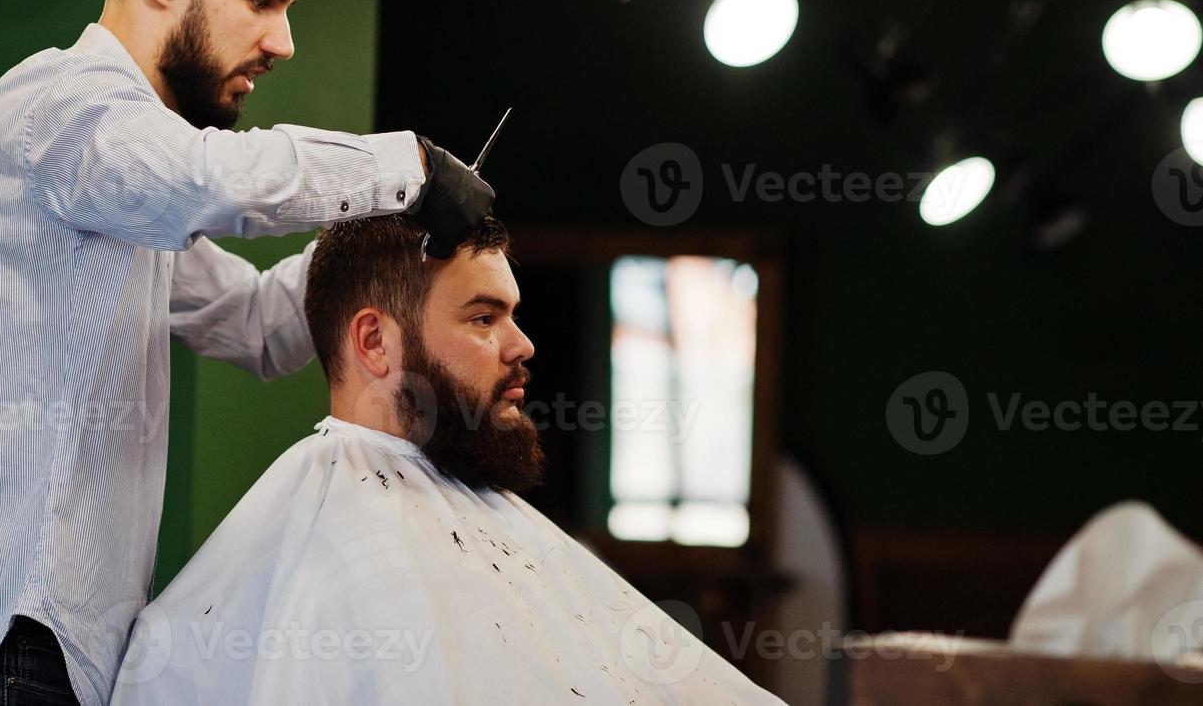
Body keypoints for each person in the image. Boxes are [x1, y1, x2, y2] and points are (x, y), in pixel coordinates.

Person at [0, 0, 494, 706]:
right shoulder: (65, 109)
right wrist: (411, 168)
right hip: (0, 645)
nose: (284, 42)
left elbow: (257, 325)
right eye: (262, 1)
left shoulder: (121, 185)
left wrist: (384, 239)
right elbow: (207, 178)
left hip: (57, 656)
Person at [110, 214, 787, 706]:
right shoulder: (330, 559)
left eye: (512, 316)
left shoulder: (479, 518)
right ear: (374, 343)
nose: (522, 345)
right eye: (483, 318)